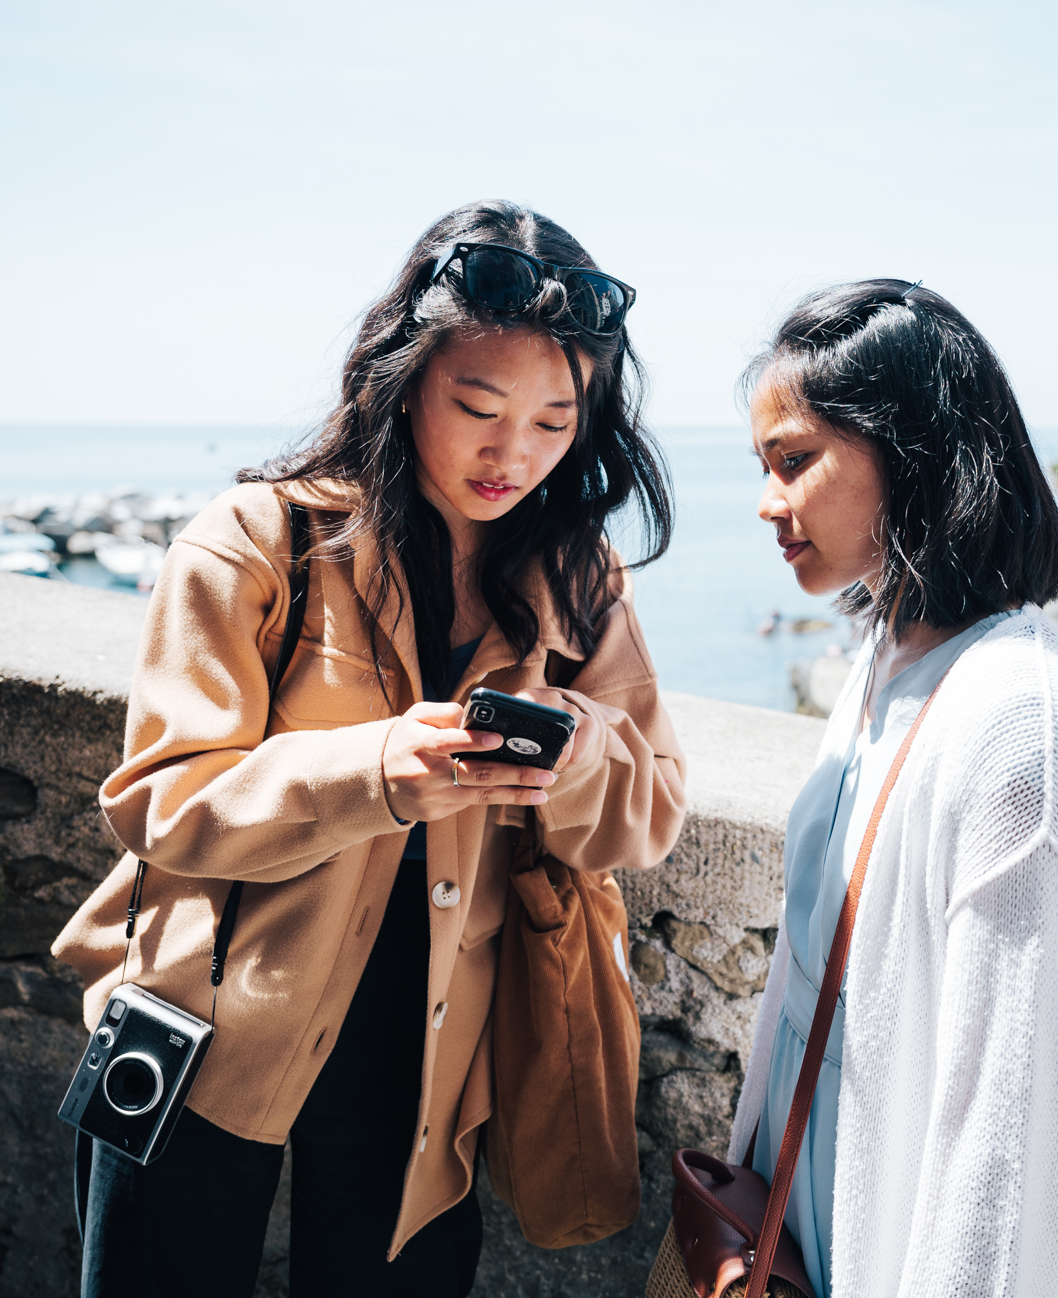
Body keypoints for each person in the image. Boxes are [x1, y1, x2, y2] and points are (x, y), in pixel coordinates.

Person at [53, 200, 686, 1298]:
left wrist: (575, 752)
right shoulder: (259, 538)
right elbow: (161, 800)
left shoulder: (581, 579)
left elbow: (650, 815)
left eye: (552, 422)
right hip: (205, 1018)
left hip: (429, 1043)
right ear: (401, 379)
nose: (512, 453)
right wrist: (377, 771)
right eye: (478, 406)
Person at [735, 279, 1058, 1295]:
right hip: (808, 1230)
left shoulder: (1021, 725)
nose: (768, 501)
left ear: (907, 451)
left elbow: (1012, 1141)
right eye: (762, 465)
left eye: (794, 460)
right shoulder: (882, 656)